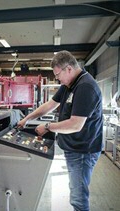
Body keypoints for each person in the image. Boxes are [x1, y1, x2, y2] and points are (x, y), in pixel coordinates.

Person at [17, 50, 103, 211]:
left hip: (83, 150)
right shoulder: (70, 84)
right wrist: (27, 118)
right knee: (75, 188)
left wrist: (48, 127)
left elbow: (75, 124)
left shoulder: (85, 87)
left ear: (69, 69)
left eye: (57, 74)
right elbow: (50, 105)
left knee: (78, 196)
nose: (57, 78)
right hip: (74, 148)